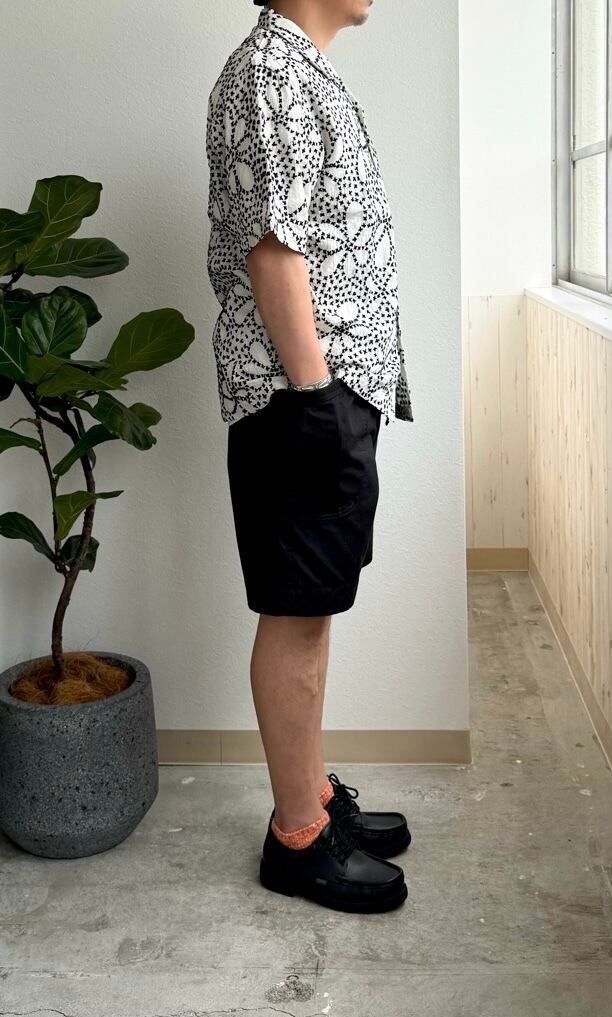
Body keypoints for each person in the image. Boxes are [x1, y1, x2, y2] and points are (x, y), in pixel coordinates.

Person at [204, 0, 415, 913]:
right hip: (300, 399)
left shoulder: (298, 69)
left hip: (320, 394)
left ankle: (313, 797)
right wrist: (316, 393)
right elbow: (272, 250)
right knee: (295, 613)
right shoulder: (271, 73)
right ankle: (296, 837)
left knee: (312, 606)